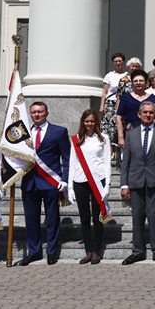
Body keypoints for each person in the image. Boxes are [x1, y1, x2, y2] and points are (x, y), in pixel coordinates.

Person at [120, 102, 155, 265]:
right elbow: (126, 161)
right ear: (139, 114)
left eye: (151, 113)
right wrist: (124, 184)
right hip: (135, 181)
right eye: (145, 112)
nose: (148, 115)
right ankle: (138, 251)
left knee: (154, 216)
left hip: (154, 181)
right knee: (137, 217)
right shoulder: (130, 134)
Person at [18, 101, 71, 266]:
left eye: (40, 112)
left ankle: (52, 251)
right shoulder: (23, 133)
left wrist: (65, 179)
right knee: (31, 220)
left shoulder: (59, 132)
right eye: (33, 112)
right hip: (29, 183)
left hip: (50, 182)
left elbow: (67, 159)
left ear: (47, 113)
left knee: (52, 218)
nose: (36, 115)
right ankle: (34, 252)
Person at [68, 110, 112, 265]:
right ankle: (88, 251)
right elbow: (72, 162)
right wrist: (70, 187)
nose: (89, 124)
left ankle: (96, 250)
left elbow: (107, 161)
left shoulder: (103, 138)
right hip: (80, 180)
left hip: (98, 180)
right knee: (84, 218)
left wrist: (107, 184)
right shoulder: (76, 140)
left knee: (97, 217)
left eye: (92, 121)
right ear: (82, 122)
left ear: (96, 122)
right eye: (87, 121)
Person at [116, 70, 155, 148]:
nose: (138, 83)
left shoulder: (152, 98)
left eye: (141, 81)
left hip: (148, 131)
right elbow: (119, 117)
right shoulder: (126, 97)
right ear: (132, 83)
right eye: (135, 81)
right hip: (130, 131)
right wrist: (120, 136)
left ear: (146, 83)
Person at [99, 52, 126, 146]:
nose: (118, 63)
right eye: (116, 61)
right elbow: (105, 92)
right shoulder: (109, 75)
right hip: (110, 103)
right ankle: (110, 150)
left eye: (120, 61)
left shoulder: (127, 75)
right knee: (109, 127)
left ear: (123, 62)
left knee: (119, 125)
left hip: (122, 102)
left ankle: (120, 148)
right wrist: (102, 105)